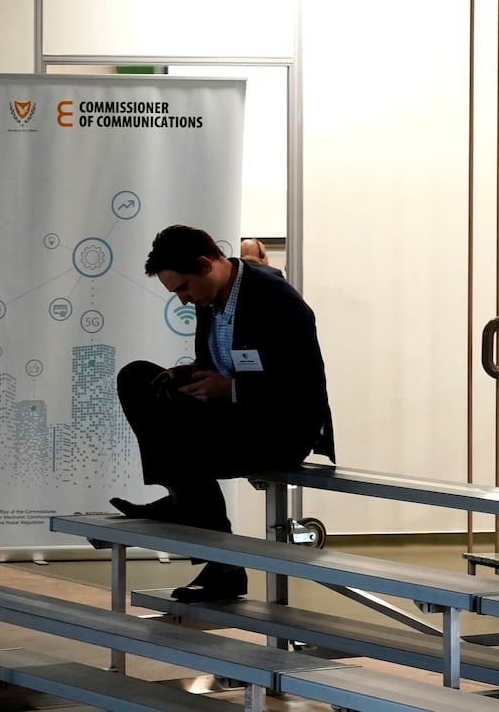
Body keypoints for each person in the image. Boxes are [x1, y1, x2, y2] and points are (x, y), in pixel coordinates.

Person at [113, 224, 334, 603]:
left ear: (205, 264)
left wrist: (232, 389)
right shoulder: (211, 298)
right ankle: (184, 501)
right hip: (236, 416)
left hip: (282, 427)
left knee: (185, 439)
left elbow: (304, 387)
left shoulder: (275, 298)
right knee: (137, 378)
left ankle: (217, 553)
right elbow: (225, 363)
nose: (182, 300)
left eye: (183, 288)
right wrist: (188, 375)